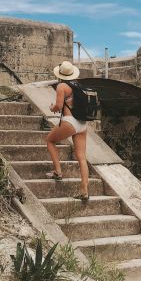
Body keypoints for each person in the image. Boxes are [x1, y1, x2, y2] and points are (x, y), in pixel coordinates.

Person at [46, 60, 90, 202]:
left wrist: (52, 107)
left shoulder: (61, 86)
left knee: (50, 140)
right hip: (82, 124)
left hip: (70, 121)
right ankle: (84, 191)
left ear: (60, 74)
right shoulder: (78, 85)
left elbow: (59, 106)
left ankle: (57, 171)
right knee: (81, 157)